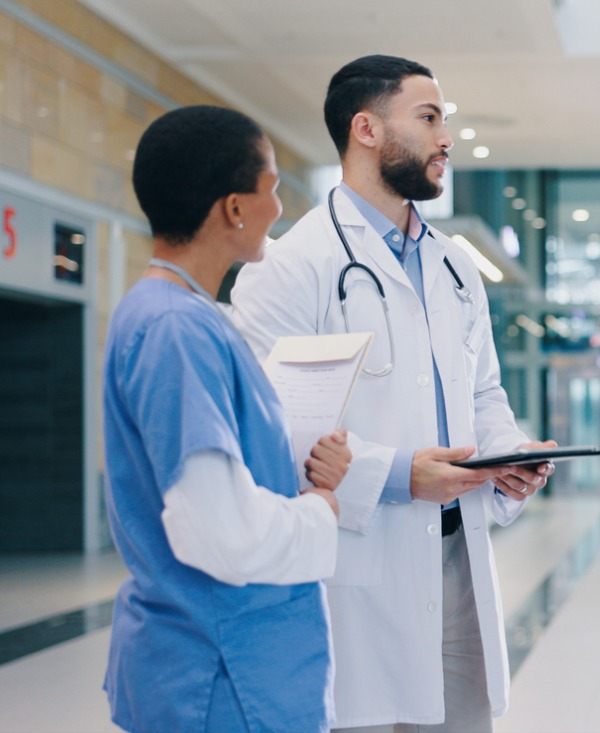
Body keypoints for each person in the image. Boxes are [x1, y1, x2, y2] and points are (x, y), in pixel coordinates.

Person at [230, 55, 554, 732]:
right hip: (357, 557)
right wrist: (398, 475)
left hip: (458, 556)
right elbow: (275, 427)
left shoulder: (456, 265)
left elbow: (483, 392)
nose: (446, 139)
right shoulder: (291, 267)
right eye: (429, 118)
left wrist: (510, 456)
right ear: (367, 130)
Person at [103, 105, 352, 732]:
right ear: (234, 207)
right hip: (219, 680)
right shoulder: (175, 329)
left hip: (214, 671)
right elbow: (218, 530)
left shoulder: (177, 314)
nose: (278, 205)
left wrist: (298, 467)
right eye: (271, 187)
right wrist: (318, 512)